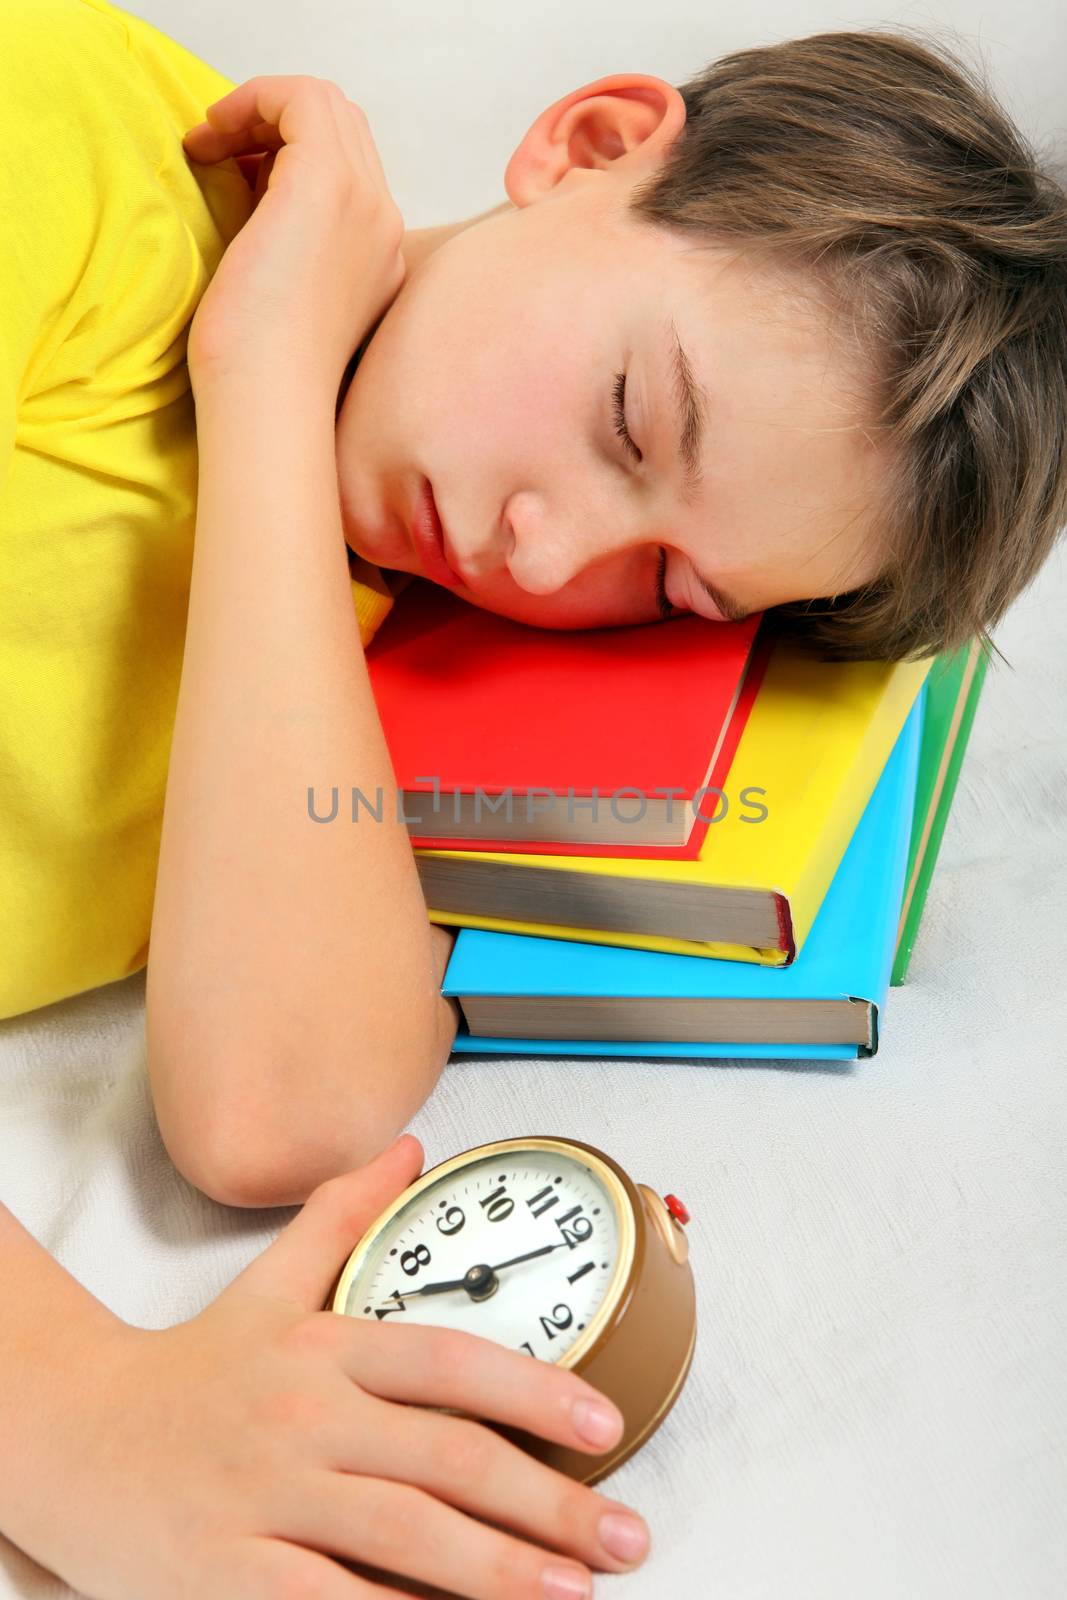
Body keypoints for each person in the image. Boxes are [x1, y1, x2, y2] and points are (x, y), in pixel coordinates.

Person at [1, 1, 1064, 1595]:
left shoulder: (365, 618)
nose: (547, 555)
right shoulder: (78, 145)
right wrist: (69, 1412)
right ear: (591, 146)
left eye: (671, 586)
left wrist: (274, 388)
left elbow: (280, 1110)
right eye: (632, 417)